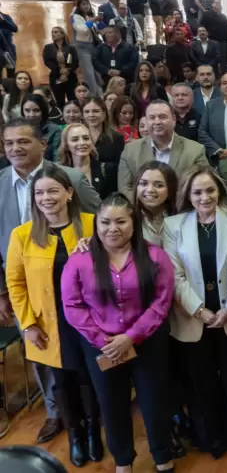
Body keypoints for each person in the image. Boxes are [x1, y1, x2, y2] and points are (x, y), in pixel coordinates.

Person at [60, 193, 176, 473]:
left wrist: (131, 337)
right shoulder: (79, 261)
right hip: (102, 346)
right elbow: (72, 304)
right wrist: (104, 340)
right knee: (112, 407)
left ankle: (163, 457)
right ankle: (123, 461)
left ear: (133, 223)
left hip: (147, 343)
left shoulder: (154, 256)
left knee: (154, 402)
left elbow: (162, 302)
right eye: (106, 222)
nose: (113, 228)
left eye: (121, 221)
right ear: (96, 224)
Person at [7, 166, 102, 467]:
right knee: (62, 381)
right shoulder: (21, 235)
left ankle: (94, 434)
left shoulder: (92, 224)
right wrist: (28, 324)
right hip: (47, 322)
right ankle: (76, 433)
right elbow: (16, 283)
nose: (46, 198)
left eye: (52, 191)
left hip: (90, 321)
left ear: (69, 193)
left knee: (91, 377)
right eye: (39, 193)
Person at [164, 167, 227, 457]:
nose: (204, 197)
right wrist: (200, 311)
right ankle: (209, 438)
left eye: (210, 190)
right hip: (193, 318)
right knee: (200, 382)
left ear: (219, 191)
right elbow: (174, 275)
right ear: (188, 196)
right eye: (197, 192)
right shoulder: (173, 225)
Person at [118, 100, 209, 199]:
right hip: (142, 211)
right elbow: (125, 188)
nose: (157, 122)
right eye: (152, 118)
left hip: (181, 211)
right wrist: (145, 208)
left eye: (162, 117)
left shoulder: (195, 150)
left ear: (174, 119)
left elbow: (202, 186)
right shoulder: (130, 150)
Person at [57, 122, 118, 199]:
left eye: (86, 138)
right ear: (67, 146)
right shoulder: (59, 172)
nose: (82, 143)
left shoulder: (108, 169)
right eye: (75, 140)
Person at [42, 27, 79, 107]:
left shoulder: (71, 48)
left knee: (72, 98)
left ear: (62, 34)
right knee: (58, 98)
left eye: (56, 32)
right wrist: (60, 71)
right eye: (52, 32)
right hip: (56, 77)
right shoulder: (48, 47)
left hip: (70, 76)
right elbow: (47, 61)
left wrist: (67, 71)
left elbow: (75, 62)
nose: (53, 34)